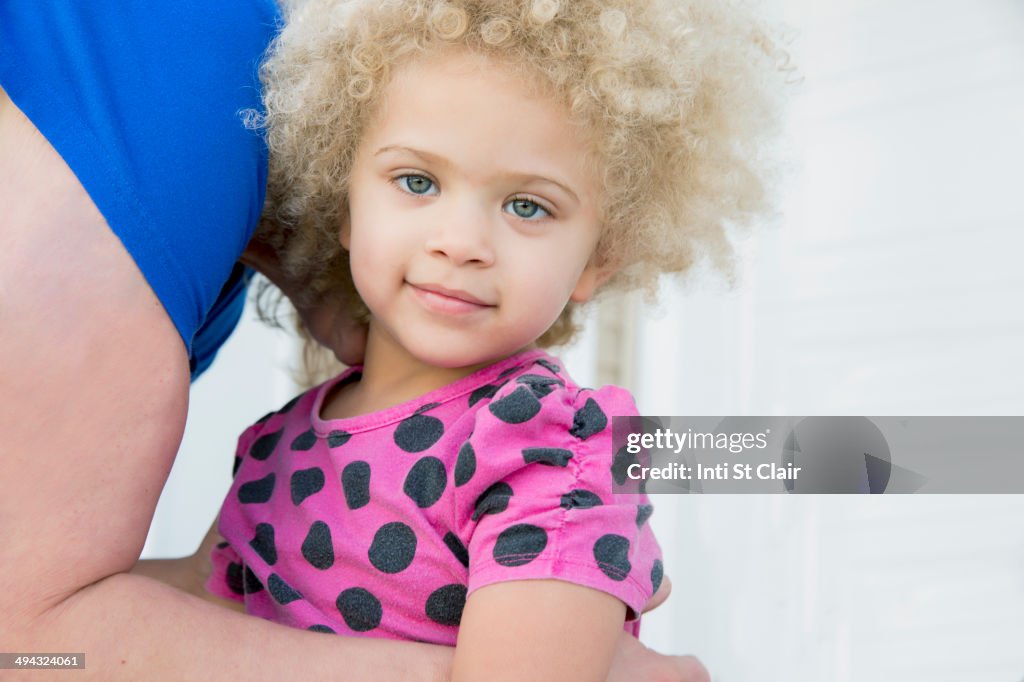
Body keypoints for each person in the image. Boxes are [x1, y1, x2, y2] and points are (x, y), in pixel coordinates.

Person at [0, 1, 721, 679]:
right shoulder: (281, 441)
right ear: (343, 206)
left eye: (527, 205)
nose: (460, 242)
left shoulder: (542, 446)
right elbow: (190, 609)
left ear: (600, 258)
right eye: (416, 181)